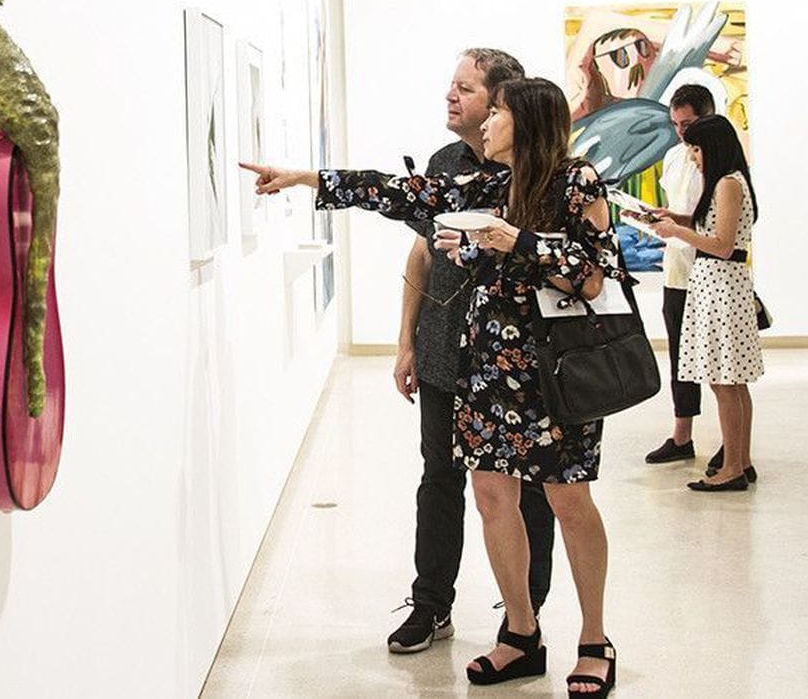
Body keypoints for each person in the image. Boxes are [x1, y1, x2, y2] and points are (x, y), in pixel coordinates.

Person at [243, 77, 620, 697]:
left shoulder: (577, 182)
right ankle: (521, 636)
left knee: (567, 503)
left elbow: (593, 278)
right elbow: (396, 191)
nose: (487, 122)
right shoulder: (481, 185)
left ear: (524, 122)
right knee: (493, 500)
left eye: (495, 111)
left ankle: (594, 639)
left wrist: (515, 241)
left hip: (553, 377)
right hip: (485, 372)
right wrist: (308, 177)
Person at [388, 50, 556, 656]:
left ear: (500, 100)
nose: (451, 96)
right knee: (440, 478)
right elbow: (422, 254)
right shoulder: (443, 164)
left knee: (529, 486)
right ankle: (432, 604)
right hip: (443, 352)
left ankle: (525, 615)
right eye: (450, 85)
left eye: (465, 87)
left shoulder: (539, 172)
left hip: (517, 358)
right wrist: (406, 340)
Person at [651, 114, 763, 491]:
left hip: (721, 287)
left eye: (696, 149)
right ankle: (740, 461)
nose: (693, 157)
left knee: (724, 381)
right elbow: (714, 229)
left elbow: (722, 245)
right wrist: (675, 217)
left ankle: (732, 466)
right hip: (718, 284)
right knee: (731, 382)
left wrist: (677, 231)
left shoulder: (728, 184)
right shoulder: (727, 183)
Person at [645, 85, 716, 465]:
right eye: (675, 124)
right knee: (680, 357)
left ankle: (732, 443)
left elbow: (718, 226)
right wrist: (661, 218)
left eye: (686, 124)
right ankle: (682, 434)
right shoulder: (674, 157)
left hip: (709, 272)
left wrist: (678, 227)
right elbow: (681, 210)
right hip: (676, 269)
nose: (681, 132)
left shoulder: (720, 161)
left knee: (721, 366)